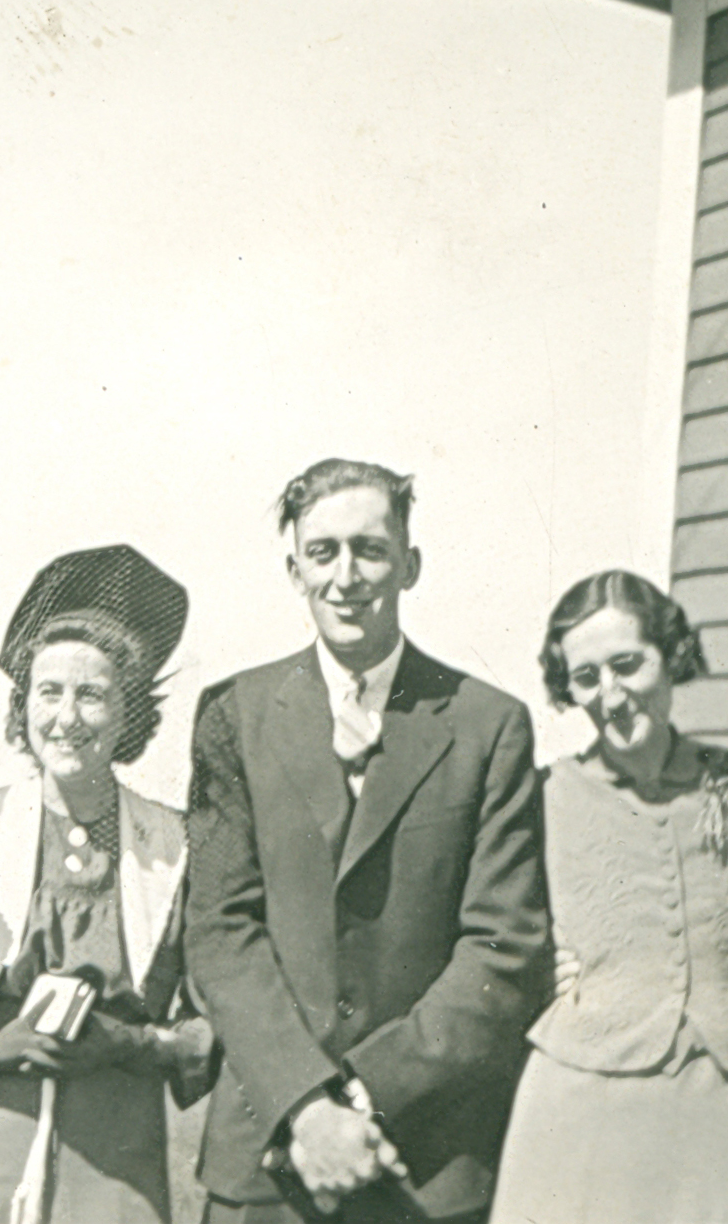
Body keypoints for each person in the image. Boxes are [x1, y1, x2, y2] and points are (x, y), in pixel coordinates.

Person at [185, 458, 550, 1224]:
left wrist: (365, 1094)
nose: (345, 576)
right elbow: (220, 932)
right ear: (294, 570)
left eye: (369, 549)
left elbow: (503, 947)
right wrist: (308, 1109)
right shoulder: (234, 714)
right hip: (268, 1155)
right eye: (323, 552)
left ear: (407, 564)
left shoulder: (488, 724)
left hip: (424, 1164)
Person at [0, 544, 214, 1224]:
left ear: (128, 713)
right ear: (22, 704)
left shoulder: (176, 846)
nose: (66, 717)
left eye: (92, 694)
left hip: (113, 1152)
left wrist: (131, 1043)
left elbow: (208, 1022)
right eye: (49, 691)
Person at [489, 570, 728, 1224]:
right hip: (578, 1106)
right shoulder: (542, 796)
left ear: (670, 655)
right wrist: (535, 972)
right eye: (586, 677)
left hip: (715, 1105)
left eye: (626, 664)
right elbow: (486, 930)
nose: (609, 695)